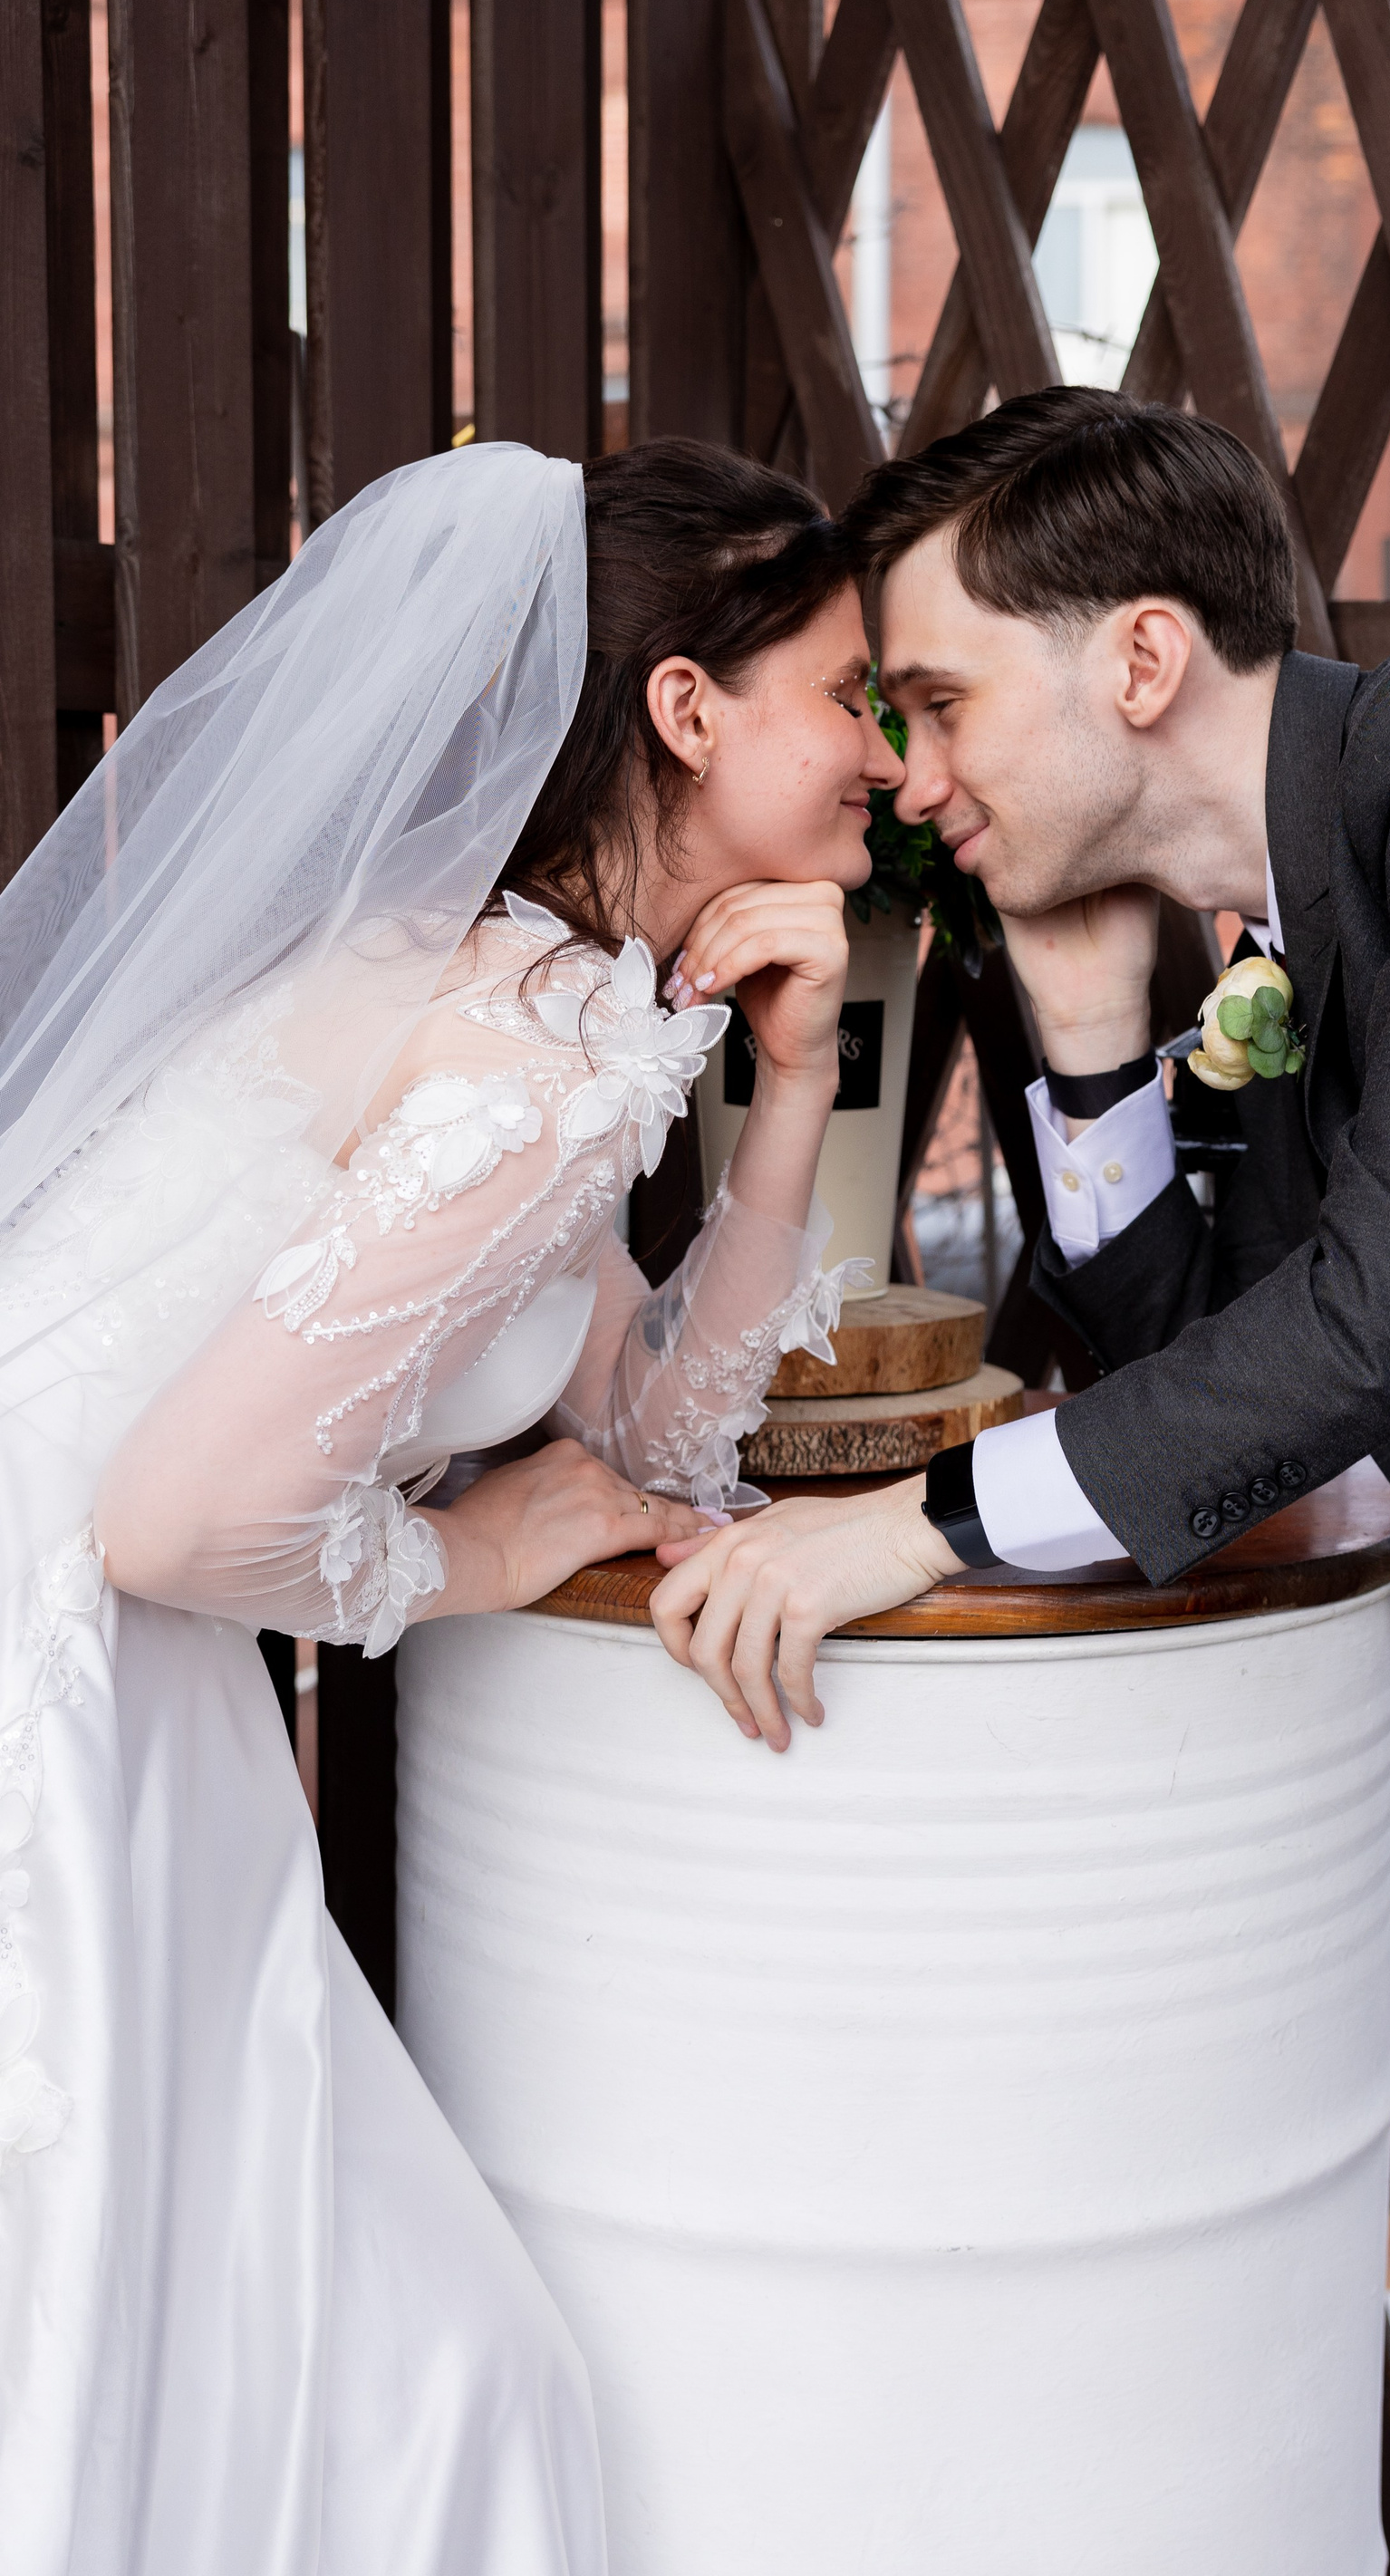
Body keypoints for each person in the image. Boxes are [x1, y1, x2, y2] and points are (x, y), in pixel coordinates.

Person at [0, 436, 898, 2574]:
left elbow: (656, 1442)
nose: (884, 752)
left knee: (378, 2380)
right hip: (70, 1701)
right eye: (848, 693)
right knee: (269, 2375)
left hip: (130, 1702)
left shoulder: (529, 998)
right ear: (688, 709)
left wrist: (790, 1083)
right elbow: (170, 1522)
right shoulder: (528, 1053)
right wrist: (481, 1554)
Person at [650, 385, 1390, 1830]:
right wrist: (1093, 1047)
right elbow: (1223, 1392)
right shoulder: (1291, 943)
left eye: (942, 705)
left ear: (1144, 660)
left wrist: (922, 1523)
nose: (908, 780)